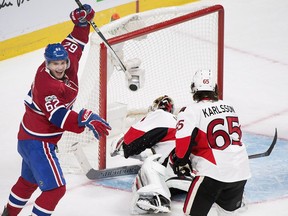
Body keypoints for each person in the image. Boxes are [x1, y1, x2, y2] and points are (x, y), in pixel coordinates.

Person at [1, 5, 112, 216]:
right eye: (54, 64)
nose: (59, 67)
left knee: (27, 182)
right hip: (38, 142)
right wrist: (84, 117)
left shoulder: (66, 61)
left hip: (27, 138)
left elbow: (76, 42)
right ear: (47, 63)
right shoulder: (46, 85)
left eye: (62, 62)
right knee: (56, 190)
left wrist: (81, 23)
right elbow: (58, 116)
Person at [173, 69, 251, 216]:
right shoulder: (230, 107)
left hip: (212, 174)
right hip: (240, 171)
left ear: (193, 89)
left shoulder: (190, 110)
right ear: (215, 88)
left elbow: (181, 149)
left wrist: (181, 161)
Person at [110, 95, 193, 214]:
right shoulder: (178, 120)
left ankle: (154, 198)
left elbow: (129, 145)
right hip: (197, 172)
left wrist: (121, 144)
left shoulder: (158, 114)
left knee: (150, 163)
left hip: (173, 169)